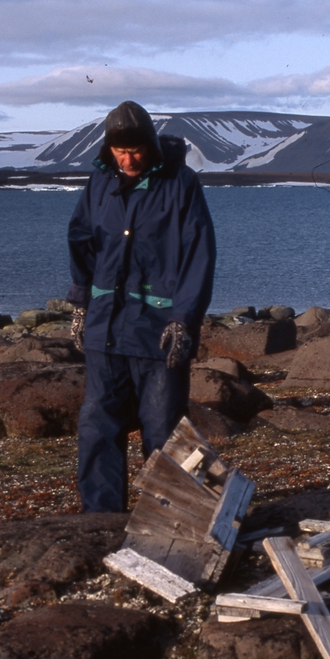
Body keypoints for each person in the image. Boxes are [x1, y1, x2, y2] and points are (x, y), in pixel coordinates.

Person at [67, 100, 217, 513]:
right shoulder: (98, 183)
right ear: (108, 149)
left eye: (136, 151)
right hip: (106, 330)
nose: (129, 160)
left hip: (159, 334)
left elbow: (198, 256)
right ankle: (101, 518)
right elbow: (81, 240)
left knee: (163, 428)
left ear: (150, 145)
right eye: (120, 152)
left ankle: (169, 516)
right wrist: (80, 305)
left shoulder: (181, 184)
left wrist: (184, 320)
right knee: (97, 426)